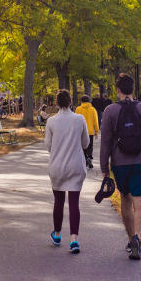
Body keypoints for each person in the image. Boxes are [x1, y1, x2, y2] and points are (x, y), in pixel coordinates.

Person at [100, 73, 141, 261]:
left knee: (125, 200)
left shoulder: (110, 111)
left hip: (120, 163)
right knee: (140, 202)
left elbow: (106, 142)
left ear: (117, 89)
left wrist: (104, 168)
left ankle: (130, 238)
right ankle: (137, 238)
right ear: (133, 89)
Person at [45, 89, 89, 254]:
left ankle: (57, 234)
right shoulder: (79, 119)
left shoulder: (51, 121)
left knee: (58, 201)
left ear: (56, 103)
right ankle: (74, 239)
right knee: (74, 202)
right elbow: (85, 143)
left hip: (57, 165)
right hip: (75, 165)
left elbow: (48, 146)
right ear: (71, 102)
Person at [74, 94, 100, 169]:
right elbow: (95, 121)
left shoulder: (78, 109)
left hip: (81, 131)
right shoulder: (93, 109)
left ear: (81, 101)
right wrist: (96, 131)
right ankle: (89, 157)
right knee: (90, 145)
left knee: (82, 146)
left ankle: (85, 159)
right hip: (90, 131)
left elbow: (75, 120)